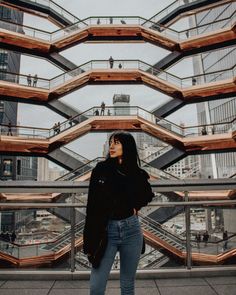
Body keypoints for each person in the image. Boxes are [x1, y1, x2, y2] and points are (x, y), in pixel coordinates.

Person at [83, 131, 154, 295]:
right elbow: (92, 206)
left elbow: (147, 194)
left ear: (127, 146)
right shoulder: (101, 169)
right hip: (106, 231)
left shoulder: (136, 172)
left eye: (117, 143)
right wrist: (89, 242)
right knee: (96, 288)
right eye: (111, 143)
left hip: (132, 230)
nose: (112, 146)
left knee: (128, 286)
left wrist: (136, 206)